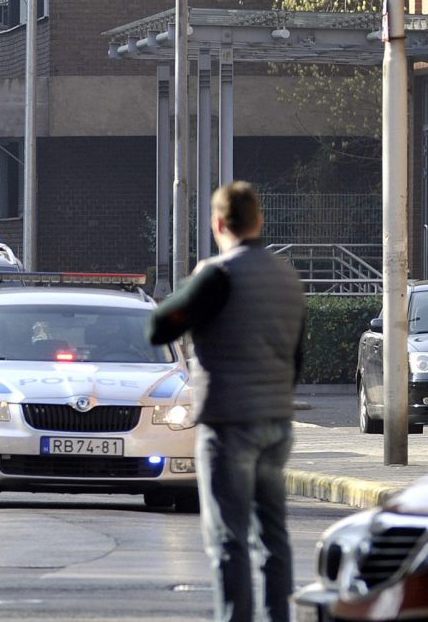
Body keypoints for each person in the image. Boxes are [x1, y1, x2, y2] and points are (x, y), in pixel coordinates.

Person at [147, 181, 305, 622]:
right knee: (274, 536)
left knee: (229, 540)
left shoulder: (218, 276)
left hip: (229, 421)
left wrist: (193, 281)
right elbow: (297, 356)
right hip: (276, 421)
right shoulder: (286, 274)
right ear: (259, 220)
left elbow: (158, 328)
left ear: (218, 224)